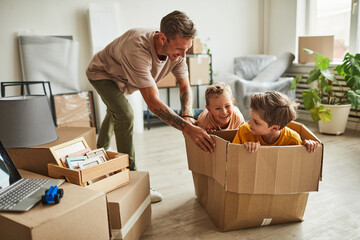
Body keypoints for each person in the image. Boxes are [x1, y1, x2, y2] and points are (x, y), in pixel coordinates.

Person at [86, 10, 215, 203]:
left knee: (116, 111)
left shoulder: (178, 52)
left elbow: (184, 86)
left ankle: (97, 152)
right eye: (179, 49)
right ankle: (132, 179)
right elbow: (154, 104)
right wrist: (189, 129)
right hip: (103, 73)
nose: (182, 55)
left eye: (186, 49)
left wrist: (187, 116)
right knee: (125, 114)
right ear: (163, 38)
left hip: (125, 78)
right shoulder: (137, 49)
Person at [232, 91, 319, 153]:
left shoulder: (293, 140)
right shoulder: (244, 131)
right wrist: (243, 149)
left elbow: (300, 161)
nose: (249, 123)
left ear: (274, 128)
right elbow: (231, 155)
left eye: (256, 122)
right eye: (251, 118)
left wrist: (308, 146)